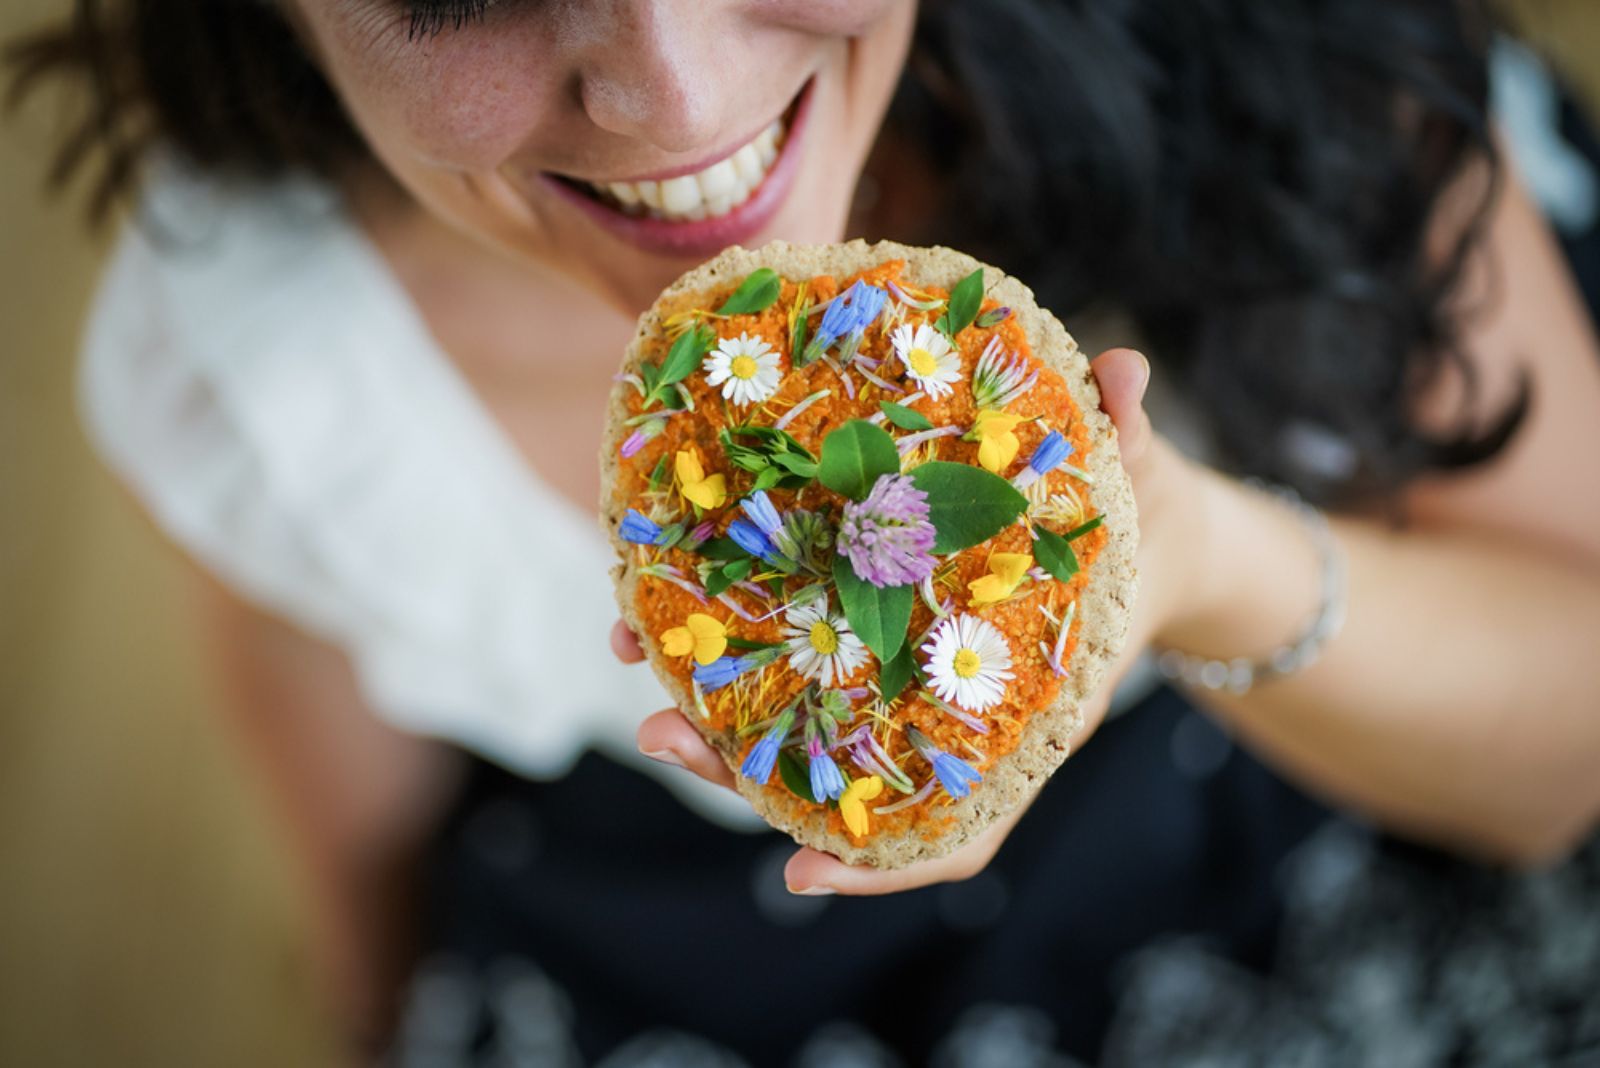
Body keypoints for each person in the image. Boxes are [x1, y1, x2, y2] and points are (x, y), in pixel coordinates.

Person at [9, 0, 1600, 1063]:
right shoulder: (277, 374)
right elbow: (369, 878)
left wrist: (1187, 559)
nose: (679, 100)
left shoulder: (1289, 69)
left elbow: (1562, 763)